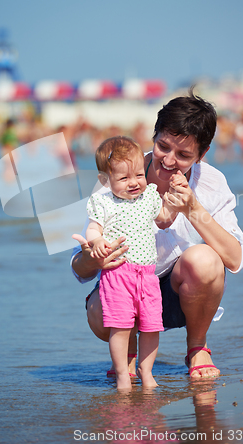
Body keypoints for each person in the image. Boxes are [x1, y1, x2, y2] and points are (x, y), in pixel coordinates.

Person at [71, 90, 243, 380]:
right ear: (153, 137)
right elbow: (79, 270)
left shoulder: (212, 182)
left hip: (180, 294)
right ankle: (128, 355)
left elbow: (235, 258)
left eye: (183, 155)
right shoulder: (118, 178)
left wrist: (193, 208)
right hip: (127, 290)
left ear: (201, 155)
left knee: (204, 260)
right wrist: (93, 257)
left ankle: (197, 348)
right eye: (163, 146)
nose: (168, 160)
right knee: (97, 309)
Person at [74, 137, 177, 389]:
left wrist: (175, 203)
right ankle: (122, 373)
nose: (134, 183)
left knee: (152, 326)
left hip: (148, 275)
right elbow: (93, 228)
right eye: (124, 178)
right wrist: (96, 242)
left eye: (139, 175)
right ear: (105, 181)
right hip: (118, 274)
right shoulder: (104, 202)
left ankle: (146, 370)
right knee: (120, 327)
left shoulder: (149, 197)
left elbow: (164, 218)